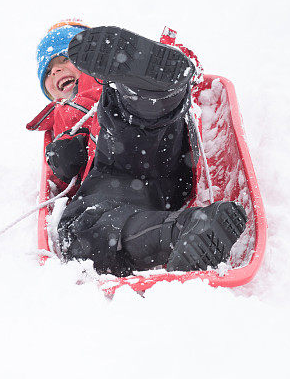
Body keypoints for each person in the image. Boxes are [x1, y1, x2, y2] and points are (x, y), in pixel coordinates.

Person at [27, 20, 247, 276]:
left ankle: (154, 88)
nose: (56, 71)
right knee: (79, 230)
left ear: (90, 61)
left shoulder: (99, 85)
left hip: (149, 148)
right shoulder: (60, 118)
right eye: (48, 72)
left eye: (64, 59)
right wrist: (65, 161)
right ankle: (187, 230)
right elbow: (62, 190)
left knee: (124, 114)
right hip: (120, 193)